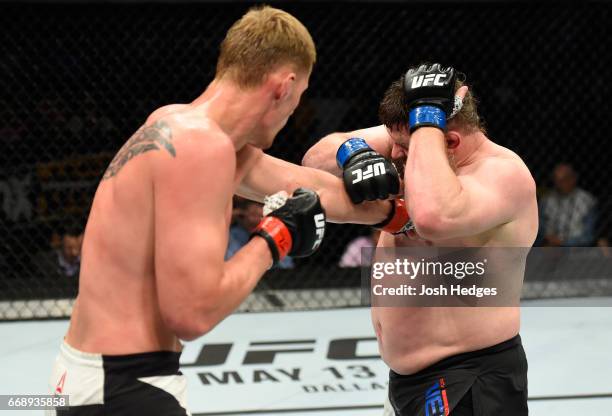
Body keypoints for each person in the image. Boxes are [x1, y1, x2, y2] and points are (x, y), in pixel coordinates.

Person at [47, 6, 408, 415]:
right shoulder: (202, 148)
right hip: (123, 388)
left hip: (87, 377)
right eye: (301, 96)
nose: (295, 113)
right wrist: (276, 237)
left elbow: (311, 189)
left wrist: (398, 214)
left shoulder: (179, 126)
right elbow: (191, 314)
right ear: (284, 87)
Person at [303, 64, 538, 415]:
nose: (393, 154)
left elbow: (432, 216)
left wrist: (427, 119)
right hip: (408, 382)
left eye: (403, 147)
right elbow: (314, 162)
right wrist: (353, 153)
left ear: (450, 141)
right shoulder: (411, 142)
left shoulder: (503, 175)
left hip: (469, 381)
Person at [539, 163, 597, 247]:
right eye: (556, 179)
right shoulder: (546, 201)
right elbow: (539, 228)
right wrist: (547, 239)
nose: (559, 184)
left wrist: (563, 242)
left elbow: (588, 236)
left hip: (575, 247)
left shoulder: (587, 201)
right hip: (548, 246)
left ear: (573, 178)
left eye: (564, 179)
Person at [226, 198, 294, 268]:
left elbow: (286, 264)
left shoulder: (275, 231)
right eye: (252, 214)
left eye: (259, 206)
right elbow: (230, 258)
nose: (256, 211)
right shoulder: (236, 233)